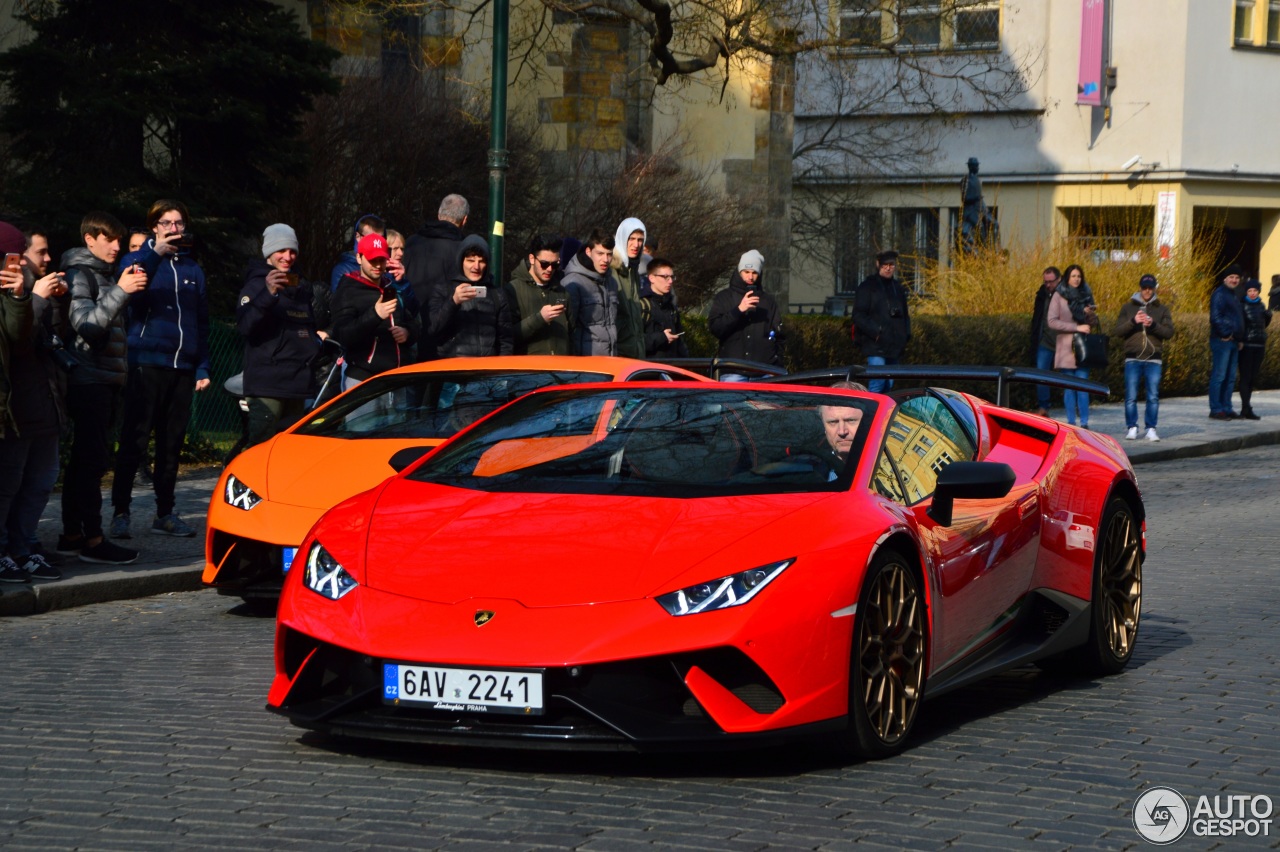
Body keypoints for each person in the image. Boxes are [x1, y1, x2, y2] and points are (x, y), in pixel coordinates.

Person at [110, 199, 210, 540]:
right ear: (154, 226)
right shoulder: (137, 260)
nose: (173, 229)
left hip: (181, 367)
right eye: (166, 223)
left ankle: (165, 513)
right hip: (146, 364)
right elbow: (131, 302)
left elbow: (201, 322)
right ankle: (120, 512)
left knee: (171, 446)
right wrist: (156, 255)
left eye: (178, 223)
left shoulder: (193, 270)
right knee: (134, 441)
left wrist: (202, 366)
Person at [58, 212, 144, 564]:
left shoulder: (104, 275)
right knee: (90, 462)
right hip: (88, 380)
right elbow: (87, 326)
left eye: (119, 240)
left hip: (104, 379)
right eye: (109, 239)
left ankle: (73, 535)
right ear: (90, 238)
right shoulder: (80, 274)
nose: (116, 246)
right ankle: (92, 540)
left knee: (85, 461)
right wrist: (121, 293)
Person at [5, 227, 67, 574]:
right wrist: (37, 299)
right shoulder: (12, 294)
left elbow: (57, 343)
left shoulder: (39, 291)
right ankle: (7, 550)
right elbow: (17, 342)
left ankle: (25, 546)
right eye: (40, 252)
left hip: (46, 402)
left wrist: (58, 300)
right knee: (10, 484)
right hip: (20, 408)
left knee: (41, 482)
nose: (48, 259)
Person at [237, 224, 322, 448]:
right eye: (281, 250)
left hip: (298, 384)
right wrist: (268, 294)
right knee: (259, 450)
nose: (287, 257)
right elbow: (245, 327)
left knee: (287, 452)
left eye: (292, 251)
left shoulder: (301, 287)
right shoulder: (255, 285)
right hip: (267, 386)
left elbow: (307, 330)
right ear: (269, 253)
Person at [0, 222, 43, 583]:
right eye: (10, 259)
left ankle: (8, 551)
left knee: (11, 483)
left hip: (9, 407)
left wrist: (18, 298)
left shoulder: (10, 294)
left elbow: (19, 340)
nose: (17, 266)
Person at [332, 232, 420, 387]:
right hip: (364, 379)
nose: (378, 265)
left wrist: (407, 333)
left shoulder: (390, 286)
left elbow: (413, 322)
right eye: (372, 260)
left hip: (396, 378)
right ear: (359, 258)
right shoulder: (348, 289)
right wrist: (376, 314)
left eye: (381, 259)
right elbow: (343, 335)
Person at [404, 194, 469, 360]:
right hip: (446, 338)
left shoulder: (411, 243)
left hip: (410, 330)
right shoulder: (462, 251)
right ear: (464, 220)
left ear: (439, 215)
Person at [428, 235, 514, 358]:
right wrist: (453, 302)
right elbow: (433, 328)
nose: (476, 267)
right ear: (461, 261)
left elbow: (505, 340)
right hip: (453, 368)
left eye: (481, 261)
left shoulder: (497, 294)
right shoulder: (444, 289)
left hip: (487, 370)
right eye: (471, 260)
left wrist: (500, 371)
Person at [1112, 273, 1174, 442]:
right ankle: (1132, 427)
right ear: (1140, 288)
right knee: (1131, 396)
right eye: (1144, 288)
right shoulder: (1127, 307)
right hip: (1133, 357)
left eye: (1150, 288)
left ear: (1154, 289)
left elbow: (1169, 332)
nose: (1147, 291)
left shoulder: (1162, 309)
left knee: (1153, 396)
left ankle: (1151, 429)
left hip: (1154, 358)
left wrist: (1153, 324)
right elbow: (1117, 331)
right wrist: (1134, 321)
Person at [707, 250, 784, 379]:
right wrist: (739, 310)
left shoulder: (768, 302)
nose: (750, 277)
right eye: (746, 272)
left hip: (763, 371)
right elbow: (715, 328)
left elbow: (779, 335)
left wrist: (776, 362)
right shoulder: (724, 298)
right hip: (733, 370)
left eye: (754, 273)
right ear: (739, 272)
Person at [1046, 264, 1099, 428]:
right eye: (1073, 276)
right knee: (1069, 386)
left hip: (1083, 346)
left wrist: (1090, 316)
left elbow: (1093, 323)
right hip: (1066, 346)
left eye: (1079, 276)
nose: (1076, 279)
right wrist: (1076, 327)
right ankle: (1070, 423)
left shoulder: (1087, 294)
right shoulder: (1059, 295)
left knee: (1083, 384)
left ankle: (1084, 423)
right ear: (1067, 278)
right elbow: (1052, 321)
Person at [503, 234, 574, 356]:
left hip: (561, 369)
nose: (549, 269)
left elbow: (573, 334)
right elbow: (507, 336)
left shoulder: (562, 292)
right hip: (530, 371)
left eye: (555, 265)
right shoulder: (512, 290)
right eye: (544, 264)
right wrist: (540, 319)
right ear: (532, 259)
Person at [852, 249, 911, 393]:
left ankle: (883, 414)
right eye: (885, 265)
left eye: (891, 265)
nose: (888, 268)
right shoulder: (868, 287)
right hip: (875, 345)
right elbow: (858, 315)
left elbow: (905, 315)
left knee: (889, 385)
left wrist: (906, 335)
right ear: (878, 264)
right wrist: (876, 332)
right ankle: (872, 414)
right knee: (877, 383)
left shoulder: (898, 288)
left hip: (894, 345)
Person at [564, 230, 620, 356]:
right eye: (600, 253)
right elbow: (566, 329)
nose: (605, 259)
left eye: (609, 254)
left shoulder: (612, 282)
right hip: (585, 365)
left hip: (611, 361)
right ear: (588, 252)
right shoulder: (573, 283)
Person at [1208, 264, 1245, 420]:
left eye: (1237, 277)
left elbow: (1238, 318)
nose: (1234, 280)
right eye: (1231, 277)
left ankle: (1226, 407)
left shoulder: (1234, 294)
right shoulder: (1220, 294)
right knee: (1219, 376)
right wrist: (1226, 333)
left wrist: (1239, 337)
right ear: (1225, 278)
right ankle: (1216, 409)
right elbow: (1215, 317)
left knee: (1230, 378)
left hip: (1234, 341)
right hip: (1222, 340)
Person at [611, 217, 647, 358]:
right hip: (619, 354)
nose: (636, 244)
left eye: (640, 240)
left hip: (636, 353)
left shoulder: (633, 270)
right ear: (622, 238)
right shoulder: (612, 270)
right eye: (631, 238)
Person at [641, 257, 687, 359]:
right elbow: (634, 342)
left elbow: (680, 343)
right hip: (647, 371)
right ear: (651, 278)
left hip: (671, 370)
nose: (670, 281)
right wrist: (661, 337)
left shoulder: (671, 307)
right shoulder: (642, 306)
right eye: (665, 277)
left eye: (672, 277)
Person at [1238, 278, 1271, 420]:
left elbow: (1263, 325)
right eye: (1250, 291)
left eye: (1255, 291)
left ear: (1259, 292)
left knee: (1253, 377)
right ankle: (1246, 407)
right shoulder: (1242, 305)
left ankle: (1247, 406)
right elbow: (1240, 325)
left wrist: (1268, 317)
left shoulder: (1261, 306)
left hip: (1259, 344)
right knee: (1245, 377)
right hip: (1247, 345)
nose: (1252, 293)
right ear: (1246, 292)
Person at [1031, 266, 1061, 416]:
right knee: (1040, 373)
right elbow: (1037, 318)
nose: (1048, 284)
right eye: (1045, 281)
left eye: (1051, 281)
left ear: (1059, 280)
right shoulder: (1041, 294)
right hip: (1045, 341)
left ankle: (1074, 406)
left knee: (1068, 376)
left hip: (1062, 341)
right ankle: (1044, 407)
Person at [328, 213, 384, 294]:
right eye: (370, 239)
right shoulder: (343, 270)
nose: (376, 243)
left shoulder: (385, 265)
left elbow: (401, 302)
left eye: (380, 239)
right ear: (358, 237)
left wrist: (400, 282)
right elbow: (342, 303)